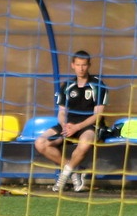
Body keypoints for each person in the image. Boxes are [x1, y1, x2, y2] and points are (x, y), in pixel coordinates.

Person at [35, 50, 108, 193]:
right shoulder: (67, 85)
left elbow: (98, 114)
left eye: (84, 65)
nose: (81, 68)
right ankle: (75, 171)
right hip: (69, 124)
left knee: (85, 142)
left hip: (89, 125)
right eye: (78, 65)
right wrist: (64, 125)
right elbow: (62, 112)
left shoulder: (98, 85)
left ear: (89, 66)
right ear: (72, 65)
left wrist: (77, 127)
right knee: (40, 143)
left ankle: (63, 176)